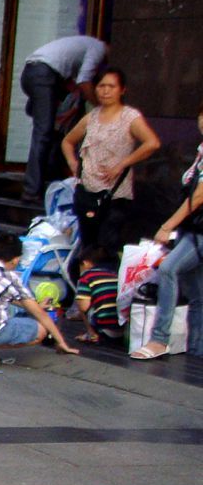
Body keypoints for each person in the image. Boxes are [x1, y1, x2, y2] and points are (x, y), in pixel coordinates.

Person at [60, 67, 160, 264]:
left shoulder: (130, 117)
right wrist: (73, 163)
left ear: (122, 90)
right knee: (88, 244)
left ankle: (104, 288)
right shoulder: (92, 117)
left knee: (107, 245)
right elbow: (67, 141)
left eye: (111, 86)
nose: (105, 90)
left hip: (114, 194)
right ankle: (86, 288)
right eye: (101, 86)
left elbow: (152, 143)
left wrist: (123, 163)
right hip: (87, 191)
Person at [133, 103, 203, 359]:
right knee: (197, 293)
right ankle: (197, 350)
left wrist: (167, 226)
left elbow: (198, 197)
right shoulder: (200, 152)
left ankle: (159, 339)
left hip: (197, 230)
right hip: (192, 229)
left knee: (168, 269)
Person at [0, 233, 80, 364]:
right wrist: (62, 342)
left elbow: (1, 296)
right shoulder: (10, 277)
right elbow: (41, 314)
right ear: (16, 260)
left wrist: (35, 305)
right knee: (41, 330)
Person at [22, 35, 109, 201]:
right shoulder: (98, 48)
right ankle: (31, 190)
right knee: (44, 132)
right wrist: (102, 107)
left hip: (32, 72)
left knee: (51, 130)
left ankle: (48, 176)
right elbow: (84, 81)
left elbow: (75, 83)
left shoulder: (82, 46)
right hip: (44, 75)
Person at [72, 248, 122, 346]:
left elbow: (83, 307)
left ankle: (92, 334)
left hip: (104, 327)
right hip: (121, 327)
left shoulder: (86, 276)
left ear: (85, 263)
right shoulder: (114, 274)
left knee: (81, 301)